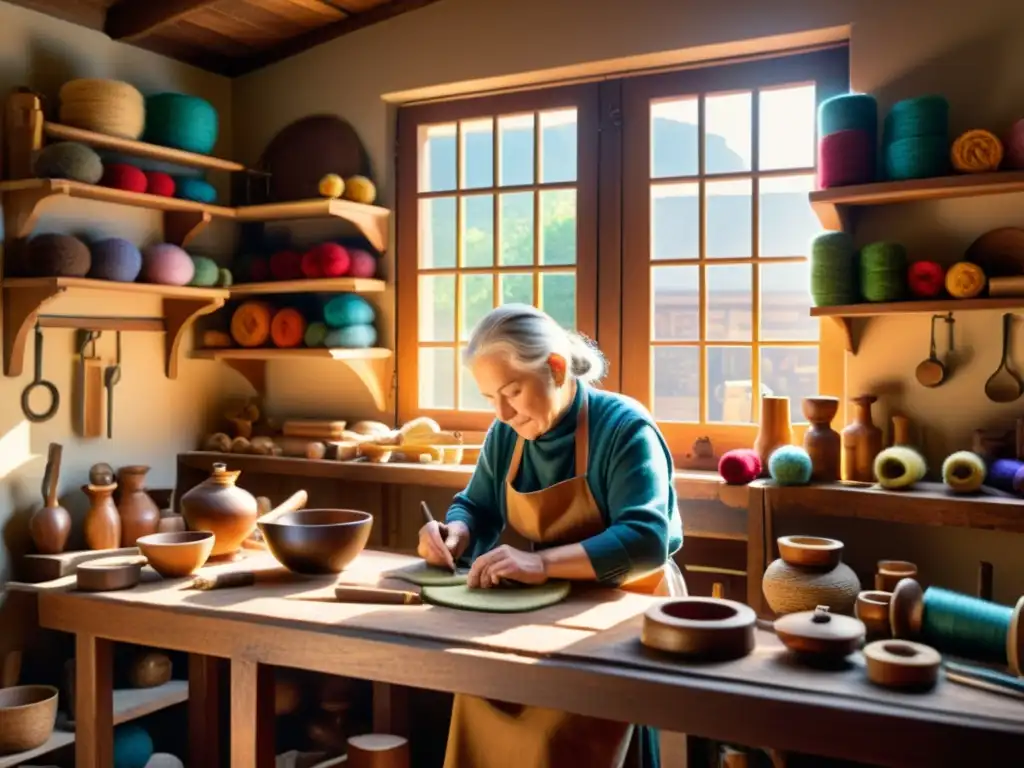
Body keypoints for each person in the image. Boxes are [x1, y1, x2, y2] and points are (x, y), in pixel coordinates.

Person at [416, 303, 685, 768]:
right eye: (488, 398)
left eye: (512, 391)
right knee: (482, 689)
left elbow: (645, 541)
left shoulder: (624, 427)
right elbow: (476, 505)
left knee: (563, 718)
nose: (501, 412)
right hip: (551, 601)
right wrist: (454, 531)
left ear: (556, 368)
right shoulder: (508, 434)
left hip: (633, 601)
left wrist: (540, 563)